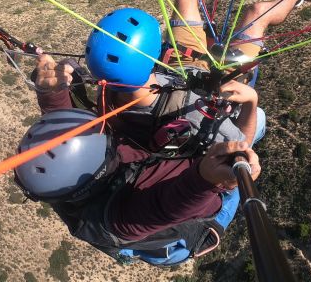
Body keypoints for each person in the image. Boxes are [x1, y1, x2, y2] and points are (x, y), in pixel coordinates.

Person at [36, 0, 311, 154]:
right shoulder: (189, 116)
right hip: (218, 85)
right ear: (152, 53)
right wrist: (251, 101)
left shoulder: (108, 90)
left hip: (181, 62)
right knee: (258, 13)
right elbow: (241, 146)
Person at [14, 106, 261, 265]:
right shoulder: (125, 218)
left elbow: (65, 137)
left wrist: (53, 94)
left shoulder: (64, 180)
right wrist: (207, 180)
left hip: (150, 200)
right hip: (191, 226)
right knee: (257, 121)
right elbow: (167, 205)